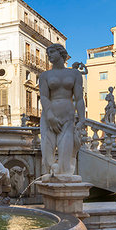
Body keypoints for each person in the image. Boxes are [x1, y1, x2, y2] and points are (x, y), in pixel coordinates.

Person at [39, 44, 85, 176]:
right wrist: (50, 116)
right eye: (48, 54)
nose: (50, 56)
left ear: (61, 53)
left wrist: (82, 119)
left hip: (67, 116)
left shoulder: (74, 74)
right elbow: (44, 97)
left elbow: (79, 99)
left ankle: (64, 177)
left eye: (52, 52)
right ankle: (50, 175)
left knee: (65, 152)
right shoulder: (45, 76)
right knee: (47, 151)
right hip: (49, 116)